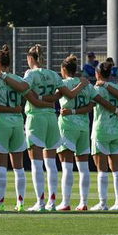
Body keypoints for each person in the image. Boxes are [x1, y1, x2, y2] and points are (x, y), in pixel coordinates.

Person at [22, 43, 76, 211]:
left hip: (36, 117)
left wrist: (39, 97)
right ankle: (52, 201)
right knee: (51, 163)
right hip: (52, 117)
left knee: (36, 163)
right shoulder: (53, 74)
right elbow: (64, 92)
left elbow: (24, 90)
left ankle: (40, 202)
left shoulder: (30, 73)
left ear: (31, 58)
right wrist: (51, 98)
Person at [0, 47, 32, 211]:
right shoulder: (17, 79)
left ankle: (0, 203)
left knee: (1, 167)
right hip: (18, 125)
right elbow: (27, 91)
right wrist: (15, 109)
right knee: (19, 167)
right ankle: (20, 203)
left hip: (0, 126)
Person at [55, 54, 96, 211]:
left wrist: (70, 111)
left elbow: (59, 95)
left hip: (67, 126)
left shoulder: (63, 83)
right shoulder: (85, 84)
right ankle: (83, 202)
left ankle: (65, 202)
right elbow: (92, 104)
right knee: (83, 167)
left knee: (66, 166)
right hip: (84, 127)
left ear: (64, 69)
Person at [88, 60, 118, 211]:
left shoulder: (96, 89)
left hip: (101, 130)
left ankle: (103, 203)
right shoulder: (117, 88)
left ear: (98, 74)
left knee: (102, 170)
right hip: (116, 130)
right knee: (117, 169)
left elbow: (89, 104)